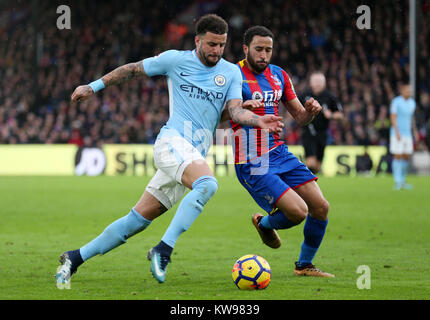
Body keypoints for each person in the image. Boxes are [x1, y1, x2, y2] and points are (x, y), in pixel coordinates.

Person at [56, 14, 284, 286]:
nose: (216, 51)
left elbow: (233, 111)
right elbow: (132, 69)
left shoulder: (231, 72)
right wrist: (92, 87)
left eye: (221, 45)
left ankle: (74, 257)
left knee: (137, 220)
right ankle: (163, 250)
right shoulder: (176, 60)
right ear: (197, 40)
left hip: (194, 153)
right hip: (172, 142)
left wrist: (257, 119)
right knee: (207, 184)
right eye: (211, 44)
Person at [226, 26, 334, 277]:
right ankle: (264, 223)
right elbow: (225, 114)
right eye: (258, 49)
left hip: (279, 152)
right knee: (298, 212)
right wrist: (243, 108)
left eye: (268, 50)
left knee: (320, 207)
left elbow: (299, 116)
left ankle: (304, 266)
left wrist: (311, 111)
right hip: (252, 160)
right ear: (245, 49)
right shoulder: (232, 75)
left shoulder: (279, 75)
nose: (264, 55)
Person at [299, 72, 343, 174]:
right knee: (311, 163)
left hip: (322, 134)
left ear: (324, 83)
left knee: (318, 166)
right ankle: (304, 180)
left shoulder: (330, 97)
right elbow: (295, 110)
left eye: (320, 81)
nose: (318, 84)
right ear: (311, 83)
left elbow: (340, 115)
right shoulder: (304, 96)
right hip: (308, 132)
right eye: (316, 81)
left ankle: (309, 180)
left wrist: (331, 115)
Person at [390, 83, 418, 190]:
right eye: (407, 91)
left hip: (408, 134)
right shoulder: (396, 102)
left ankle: (402, 180)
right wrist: (396, 132)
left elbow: (411, 118)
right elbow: (393, 117)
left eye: (410, 91)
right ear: (402, 91)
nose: (409, 92)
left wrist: (414, 131)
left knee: (406, 156)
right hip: (397, 134)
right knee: (397, 155)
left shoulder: (412, 103)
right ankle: (397, 181)